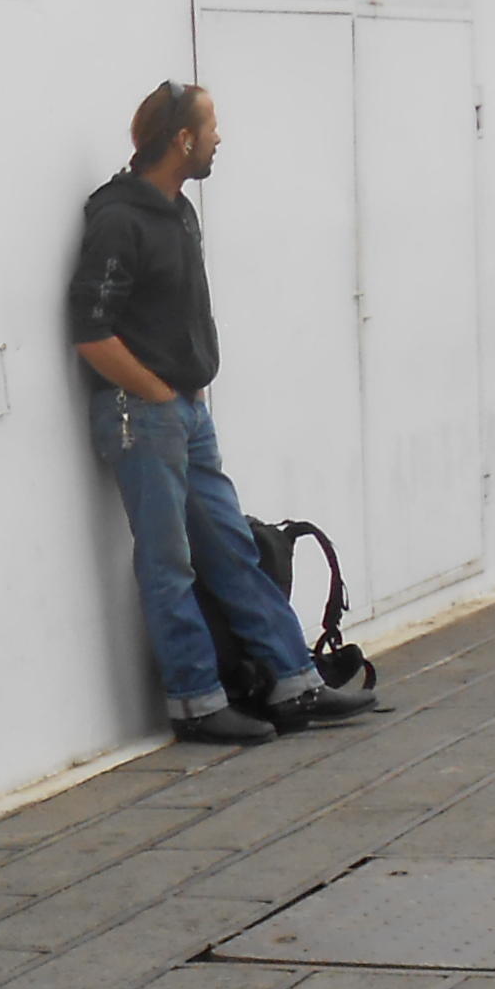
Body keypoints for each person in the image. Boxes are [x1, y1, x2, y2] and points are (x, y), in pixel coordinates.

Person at [69, 80, 380, 746]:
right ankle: (196, 702)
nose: (219, 138)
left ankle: (294, 681)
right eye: (210, 127)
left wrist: (189, 392)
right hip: (140, 415)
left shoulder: (180, 211)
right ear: (182, 140)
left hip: (186, 411)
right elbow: (91, 332)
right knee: (169, 563)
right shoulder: (119, 219)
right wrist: (157, 393)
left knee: (232, 548)